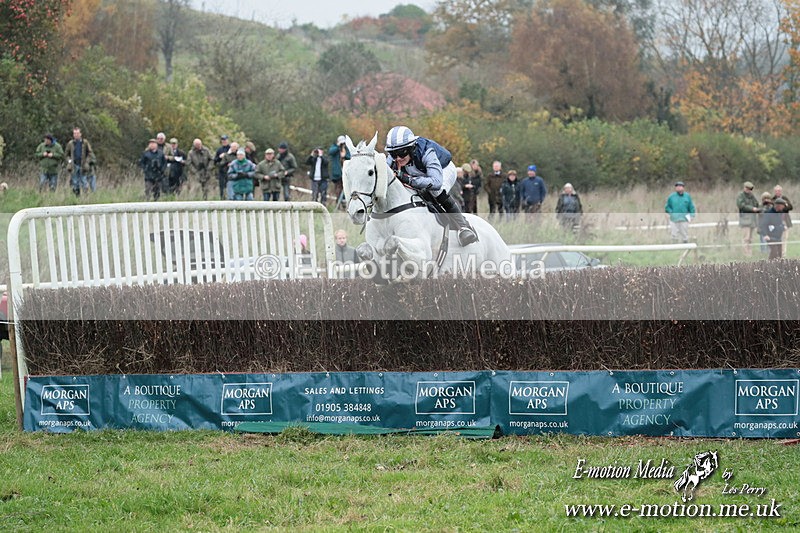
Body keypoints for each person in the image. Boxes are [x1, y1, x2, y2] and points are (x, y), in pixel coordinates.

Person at [385, 125, 478, 246]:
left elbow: (436, 182)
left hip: (443, 170)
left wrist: (408, 179)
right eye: (393, 154)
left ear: (411, 148)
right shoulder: (395, 157)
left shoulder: (427, 152)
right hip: (420, 172)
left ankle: (464, 226)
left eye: (401, 153)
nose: (397, 158)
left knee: (435, 191)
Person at [64, 127, 94, 196]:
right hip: (74, 165)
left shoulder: (85, 142)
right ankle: (77, 197)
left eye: (77, 133)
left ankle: (86, 197)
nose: (76, 135)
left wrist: (87, 162)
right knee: (75, 182)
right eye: (74, 133)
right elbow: (66, 154)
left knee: (84, 181)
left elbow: (90, 153)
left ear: (80, 134)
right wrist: (69, 161)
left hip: (83, 165)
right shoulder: (70, 143)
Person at [736, 181, 760, 256]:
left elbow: (756, 203)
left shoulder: (751, 196)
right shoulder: (741, 196)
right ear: (744, 188)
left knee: (750, 239)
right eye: (747, 188)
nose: (748, 190)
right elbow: (741, 205)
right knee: (746, 238)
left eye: (750, 189)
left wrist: (756, 208)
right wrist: (752, 208)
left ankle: (750, 253)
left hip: (752, 220)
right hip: (745, 220)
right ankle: (746, 254)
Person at [328, 135, 351, 209]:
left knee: (345, 188)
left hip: (345, 172)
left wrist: (344, 155)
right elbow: (331, 152)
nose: (342, 144)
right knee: (338, 188)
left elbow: (350, 157)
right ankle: (339, 204)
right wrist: (338, 147)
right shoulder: (334, 147)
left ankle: (343, 203)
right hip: (337, 173)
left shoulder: (346, 149)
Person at [773, 185, 793, 256]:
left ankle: (783, 255)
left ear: (781, 191)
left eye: (779, 191)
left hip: (784, 221)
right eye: (776, 191)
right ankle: (776, 254)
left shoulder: (785, 198)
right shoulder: (772, 199)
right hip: (776, 222)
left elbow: (790, 207)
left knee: (784, 238)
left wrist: (783, 207)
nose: (777, 192)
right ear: (774, 191)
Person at [213, 134, 232, 199]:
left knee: (230, 187)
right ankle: (222, 200)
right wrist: (219, 157)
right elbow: (215, 161)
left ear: (228, 140)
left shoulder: (231, 149)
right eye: (222, 140)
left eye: (225, 140)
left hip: (230, 171)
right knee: (222, 188)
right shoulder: (219, 150)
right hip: (222, 171)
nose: (224, 141)